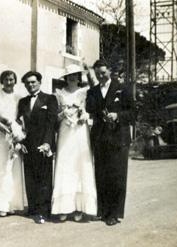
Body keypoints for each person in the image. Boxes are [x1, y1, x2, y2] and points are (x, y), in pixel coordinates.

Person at [86, 60, 135, 226]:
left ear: (110, 71)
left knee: (117, 177)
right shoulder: (92, 91)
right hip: (100, 138)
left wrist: (118, 116)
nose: (101, 76)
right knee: (101, 175)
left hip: (118, 138)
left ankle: (115, 213)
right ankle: (103, 211)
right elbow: (89, 108)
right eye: (98, 73)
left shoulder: (123, 89)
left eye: (103, 73)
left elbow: (133, 113)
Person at [51, 64, 97, 222]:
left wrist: (85, 115)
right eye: (69, 75)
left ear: (79, 77)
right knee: (65, 166)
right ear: (65, 77)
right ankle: (64, 207)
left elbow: (92, 109)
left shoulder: (85, 92)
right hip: (65, 132)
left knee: (80, 166)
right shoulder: (59, 93)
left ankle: (80, 207)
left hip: (80, 132)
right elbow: (54, 117)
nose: (72, 77)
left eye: (75, 74)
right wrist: (62, 114)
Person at [17, 71, 58, 224]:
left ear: (40, 82)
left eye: (33, 82)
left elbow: (51, 123)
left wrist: (47, 143)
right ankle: (33, 208)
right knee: (30, 177)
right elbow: (19, 124)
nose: (31, 85)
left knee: (44, 178)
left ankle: (44, 211)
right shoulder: (22, 102)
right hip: (27, 144)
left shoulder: (50, 98)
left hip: (43, 144)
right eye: (27, 83)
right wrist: (19, 142)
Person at [0, 70, 26, 216]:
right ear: (1, 81)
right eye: (6, 79)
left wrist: (18, 132)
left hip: (14, 135)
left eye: (12, 80)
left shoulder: (19, 97)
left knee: (13, 168)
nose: (9, 82)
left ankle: (13, 203)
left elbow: (22, 117)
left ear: (15, 81)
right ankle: (0, 204)